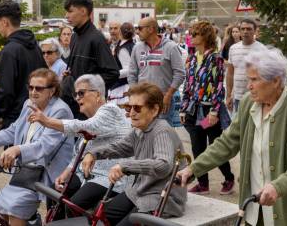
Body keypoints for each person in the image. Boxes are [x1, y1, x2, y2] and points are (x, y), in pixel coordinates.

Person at [177, 47, 287, 225]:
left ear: (275, 81)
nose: (248, 86)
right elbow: (227, 143)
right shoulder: (248, 103)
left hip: (286, 213)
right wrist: (193, 169)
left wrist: (278, 186)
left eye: (254, 79)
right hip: (253, 209)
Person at [0, 68, 74, 226]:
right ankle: (33, 221)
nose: (33, 92)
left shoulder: (60, 110)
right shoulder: (29, 104)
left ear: (52, 90)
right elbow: (12, 131)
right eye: (31, 87)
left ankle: (32, 220)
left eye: (39, 88)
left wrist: (17, 149)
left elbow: (45, 145)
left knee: (14, 211)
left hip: (46, 171)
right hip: (26, 170)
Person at [82, 82, 187, 225]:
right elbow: (120, 147)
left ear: (154, 110)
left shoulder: (162, 130)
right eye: (128, 107)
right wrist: (93, 153)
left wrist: (125, 166)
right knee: (100, 217)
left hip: (160, 197)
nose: (131, 113)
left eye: (137, 108)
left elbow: (163, 165)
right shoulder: (139, 129)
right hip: (140, 190)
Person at [28, 74, 131, 216]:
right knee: (53, 193)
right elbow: (79, 153)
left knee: (73, 206)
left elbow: (84, 127)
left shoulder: (110, 110)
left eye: (81, 93)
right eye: (75, 94)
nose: (77, 98)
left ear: (97, 94)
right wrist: (65, 173)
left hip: (110, 177)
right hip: (87, 175)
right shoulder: (93, 118)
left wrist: (47, 121)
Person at [179, 20, 235, 195]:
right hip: (193, 111)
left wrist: (214, 111)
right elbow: (188, 85)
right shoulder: (192, 57)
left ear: (205, 36)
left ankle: (229, 178)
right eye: (190, 33)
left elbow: (219, 86)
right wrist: (183, 107)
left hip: (208, 111)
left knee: (214, 146)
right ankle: (203, 184)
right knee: (197, 147)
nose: (191, 37)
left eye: (194, 34)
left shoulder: (215, 58)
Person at [61, 0, 119, 119]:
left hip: (90, 110)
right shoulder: (75, 36)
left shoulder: (96, 38)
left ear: (83, 11)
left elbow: (112, 73)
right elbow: (83, 69)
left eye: (70, 11)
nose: (67, 16)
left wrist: (87, 90)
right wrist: (70, 74)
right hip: (73, 105)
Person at [0, 0, 47, 130]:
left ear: (5, 22)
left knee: (13, 150)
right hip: (36, 113)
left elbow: (6, 89)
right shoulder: (34, 46)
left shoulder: (9, 50)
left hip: (16, 119)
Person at [128, 17, 185, 126]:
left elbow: (180, 74)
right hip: (141, 101)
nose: (137, 32)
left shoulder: (171, 47)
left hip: (162, 100)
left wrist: (168, 95)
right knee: (140, 134)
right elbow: (132, 74)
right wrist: (134, 95)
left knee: (162, 135)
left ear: (151, 29)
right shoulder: (137, 48)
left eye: (140, 28)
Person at [225, 19, 266, 113]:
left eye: (249, 29)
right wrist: (228, 95)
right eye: (243, 29)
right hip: (238, 97)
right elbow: (230, 74)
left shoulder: (262, 49)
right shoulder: (233, 48)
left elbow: (265, 75)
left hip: (255, 96)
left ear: (255, 31)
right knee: (239, 126)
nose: (245, 31)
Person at [108, 22, 135, 106]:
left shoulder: (123, 48)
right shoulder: (132, 45)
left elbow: (128, 70)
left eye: (115, 28)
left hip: (121, 87)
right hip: (124, 85)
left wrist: (112, 74)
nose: (113, 31)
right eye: (111, 28)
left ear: (120, 32)